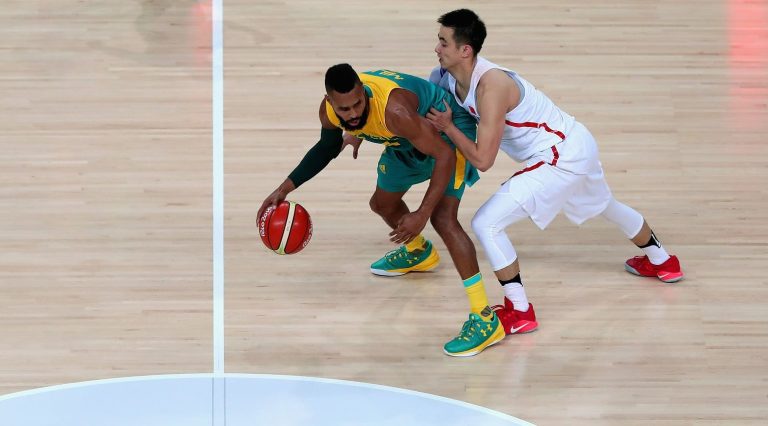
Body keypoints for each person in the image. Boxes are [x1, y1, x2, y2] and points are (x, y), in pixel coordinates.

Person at [426, 9, 684, 336]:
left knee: (486, 223)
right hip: (576, 142)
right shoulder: (443, 77)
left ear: (465, 50)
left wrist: (448, 127)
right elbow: (422, 105)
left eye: (443, 42)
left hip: (561, 155)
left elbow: (483, 159)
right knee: (603, 205)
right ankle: (663, 261)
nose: (436, 48)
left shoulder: (493, 87)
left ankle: (520, 311)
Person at [258, 64, 505, 356]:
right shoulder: (331, 112)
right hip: (406, 139)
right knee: (382, 204)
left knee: (443, 219)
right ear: (329, 102)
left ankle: (484, 319)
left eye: (358, 104)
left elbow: (444, 156)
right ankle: (419, 253)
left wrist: (422, 214)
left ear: (364, 94)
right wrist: (284, 188)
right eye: (344, 109)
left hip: (444, 133)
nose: (352, 113)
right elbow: (327, 147)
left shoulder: (394, 112)